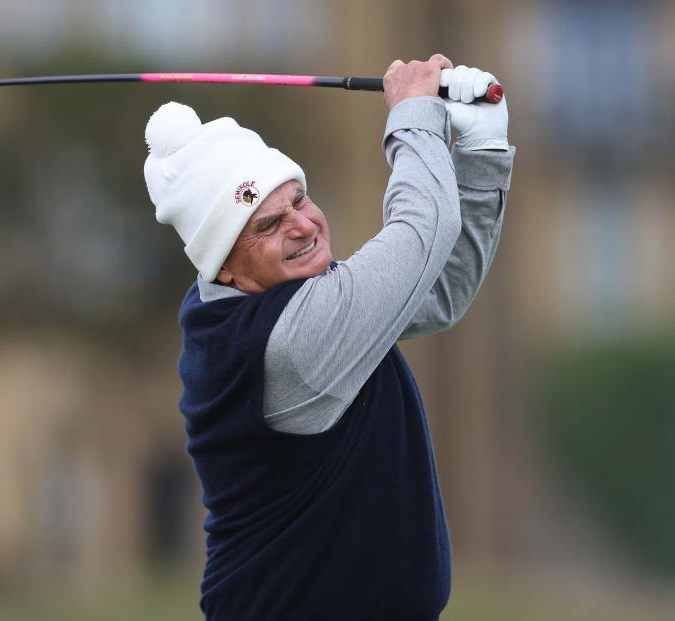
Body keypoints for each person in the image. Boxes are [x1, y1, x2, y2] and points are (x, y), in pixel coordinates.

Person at [143, 54, 515, 621]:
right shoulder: (288, 342)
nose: (302, 224)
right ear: (224, 268)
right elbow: (422, 232)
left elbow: (435, 289)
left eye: (299, 199)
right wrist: (414, 115)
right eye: (267, 225)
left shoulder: (260, 302)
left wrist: (482, 153)